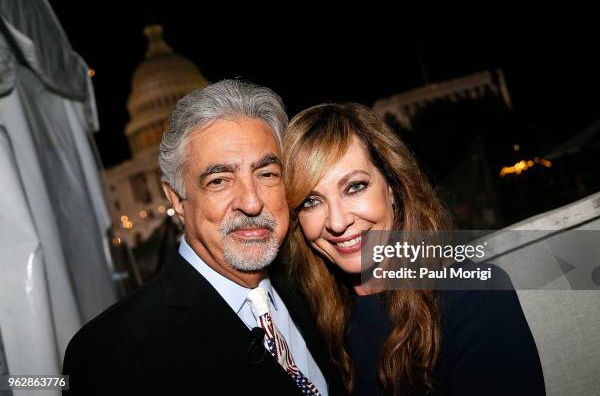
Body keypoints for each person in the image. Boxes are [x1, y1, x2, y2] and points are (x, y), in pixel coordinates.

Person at [62, 80, 346, 395]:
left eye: (266, 174)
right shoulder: (111, 355)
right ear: (176, 200)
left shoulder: (321, 286)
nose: (251, 202)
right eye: (219, 181)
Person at [282, 102, 546, 395]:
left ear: (392, 188)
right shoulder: (314, 320)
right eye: (311, 201)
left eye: (354, 187)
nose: (337, 221)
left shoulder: (472, 297)